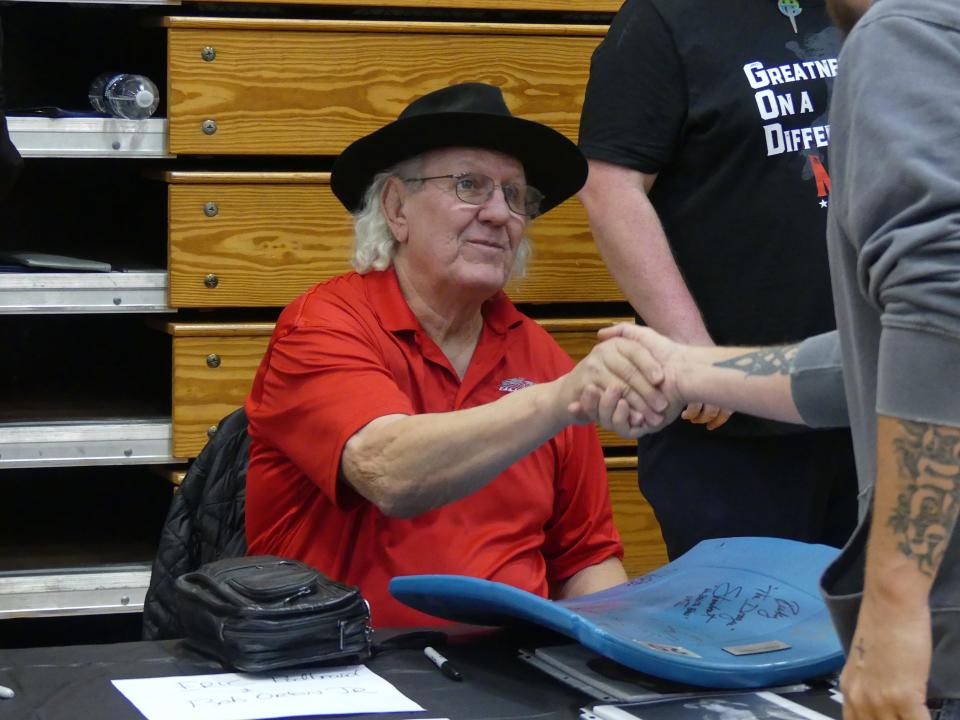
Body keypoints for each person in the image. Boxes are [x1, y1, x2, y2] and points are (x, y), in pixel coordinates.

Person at [584, 0, 960, 713]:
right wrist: (693, 365)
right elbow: (874, 358)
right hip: (755, 442)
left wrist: (892, 600)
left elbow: (939, 312)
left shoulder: (903, 30)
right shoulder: (669, 21)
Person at [243, 83, 672, 628]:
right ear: (396, 208)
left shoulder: (541, 357)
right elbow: (388, 472)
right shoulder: (324, 324)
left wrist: (627, 657)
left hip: (514, 675)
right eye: (470, 185)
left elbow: (584, 558)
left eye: (516, 196)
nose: (500, 214)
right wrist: (560, 399)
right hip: (352, 669)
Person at [576, 0, 859, 559]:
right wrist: (695, 357)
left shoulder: (859, 10)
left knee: (887, 634)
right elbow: (609, 190)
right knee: (753, 640)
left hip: (868, 404)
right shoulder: (663, 18)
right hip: (732, 430)